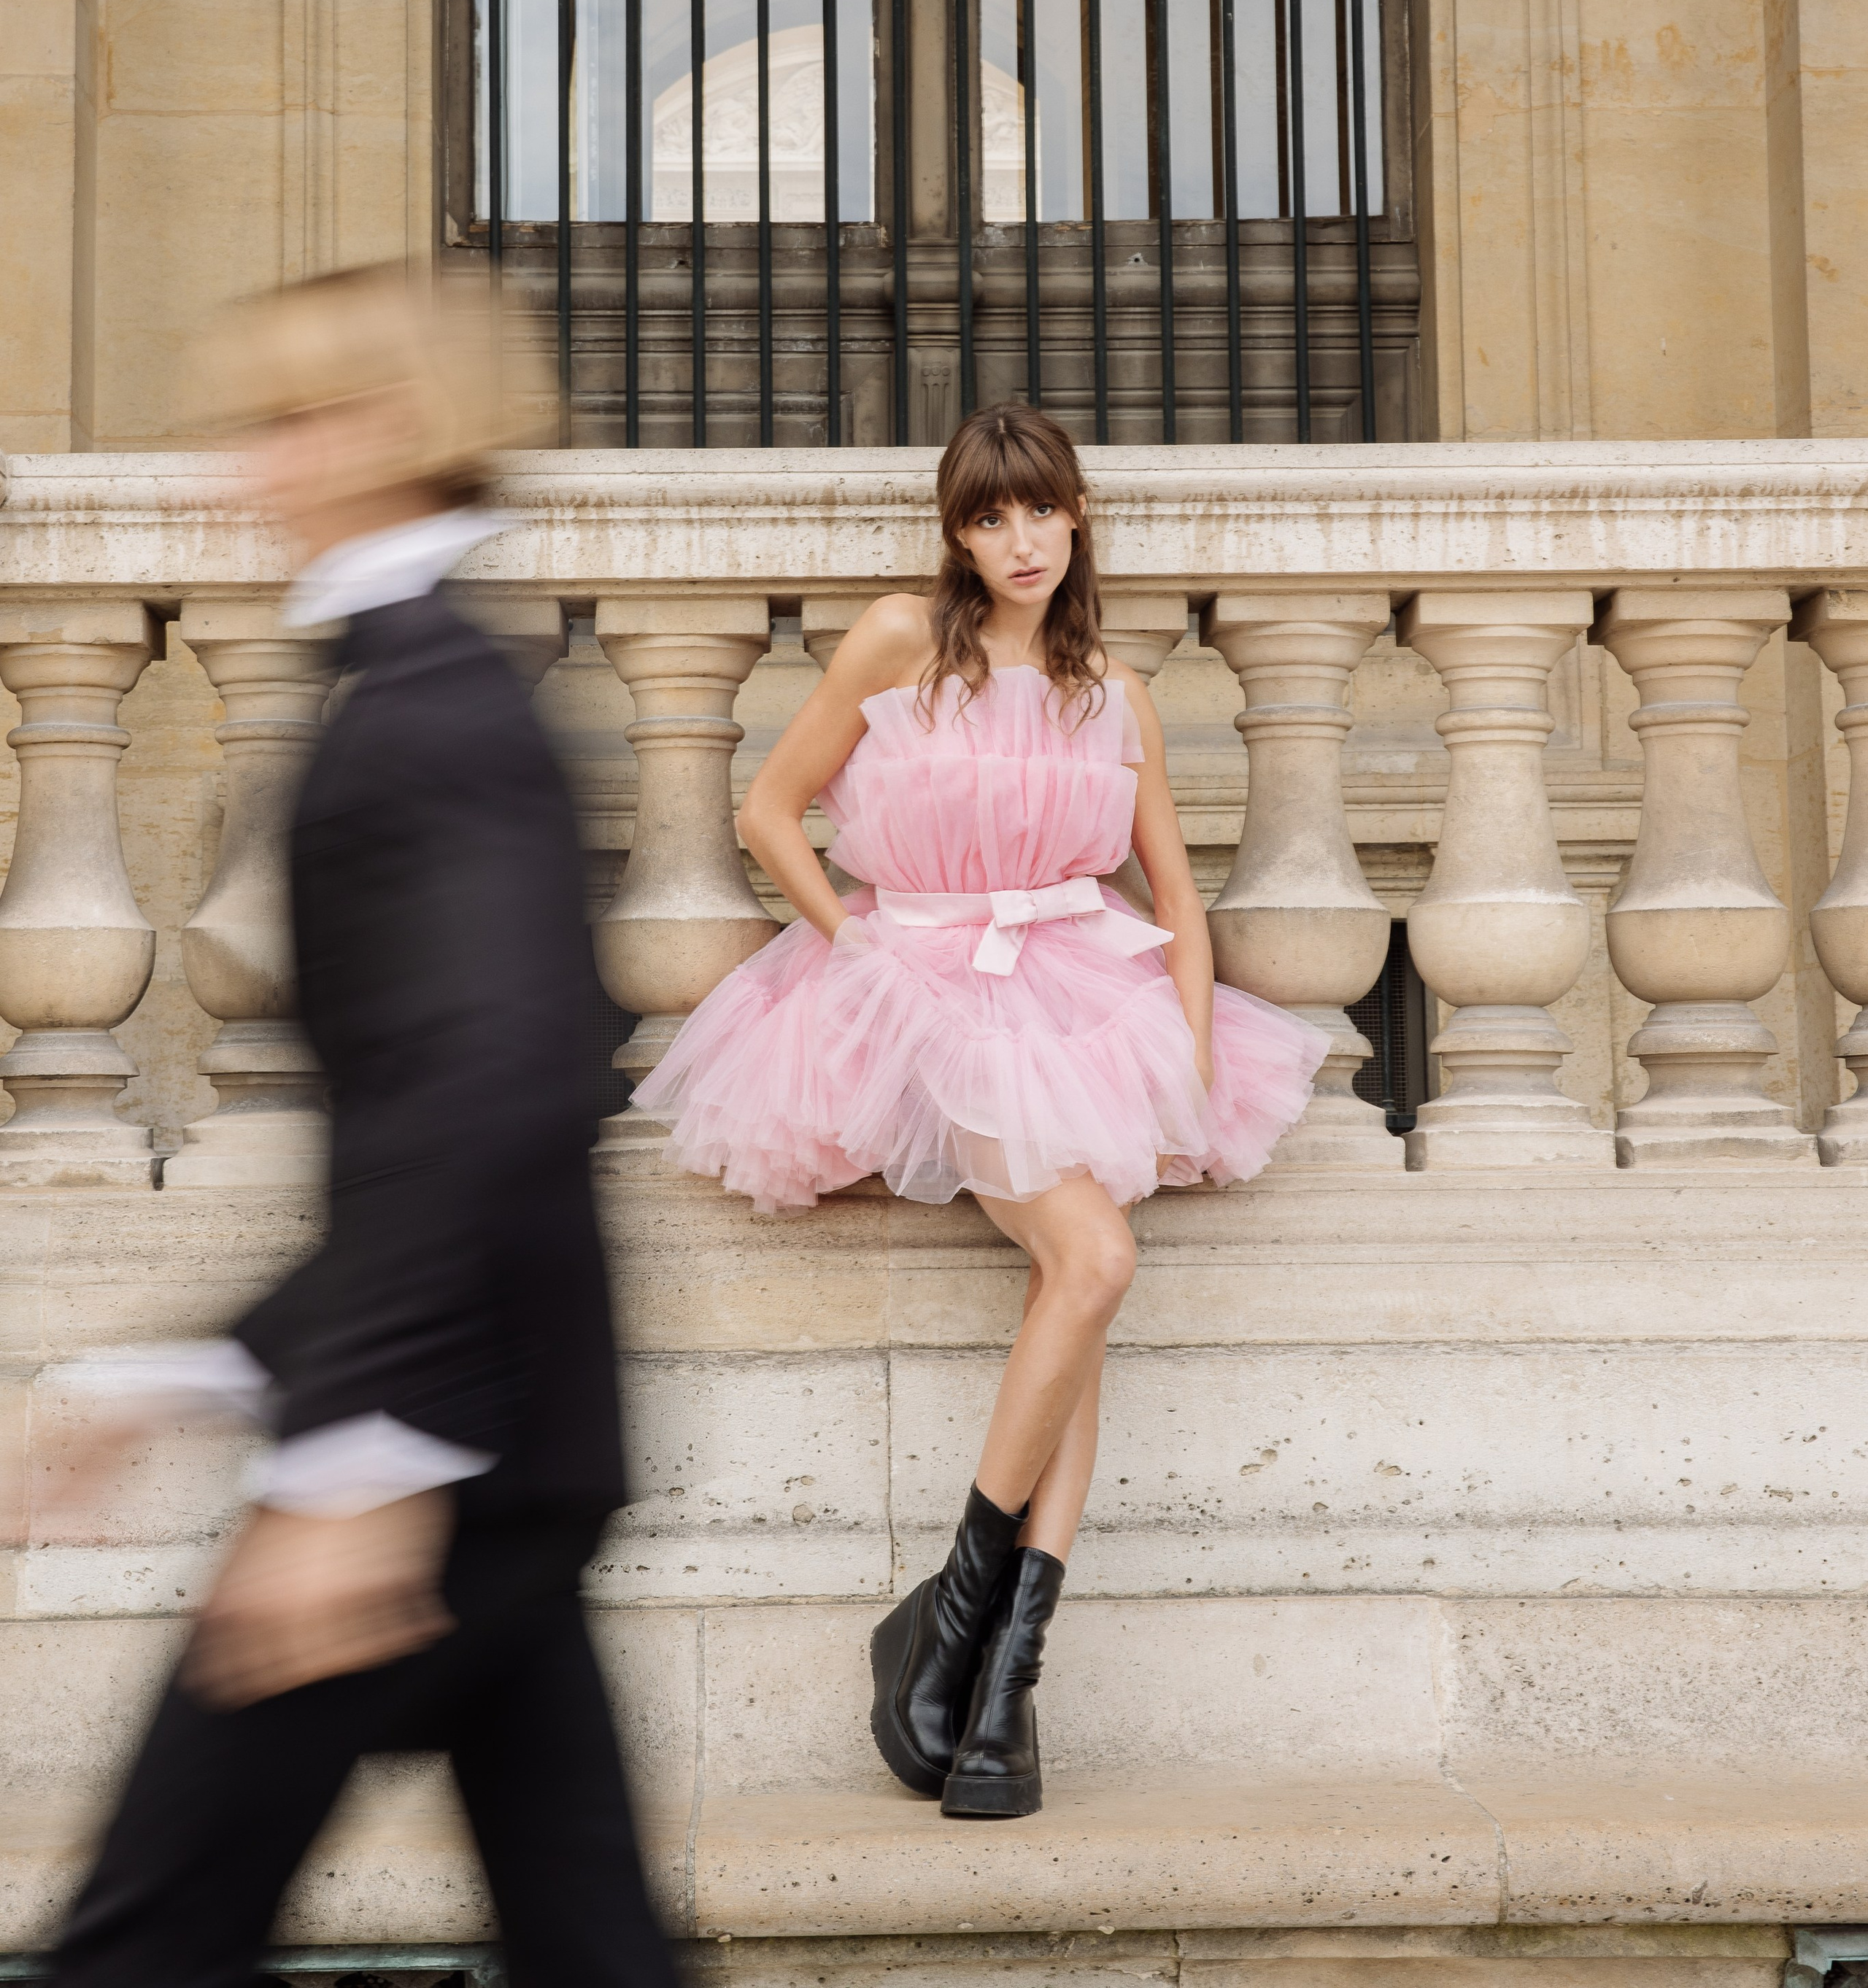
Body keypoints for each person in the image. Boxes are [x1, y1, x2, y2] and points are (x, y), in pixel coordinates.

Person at [42, 268, 675, 1988]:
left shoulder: (431, 714)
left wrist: (357, 1460)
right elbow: (429, 1119)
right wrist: (184, 1377)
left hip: (442, 1451)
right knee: (591, 1942)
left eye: (283, 422)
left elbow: (496, 1089)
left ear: (391, 429)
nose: (234, 473)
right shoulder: (419, 690)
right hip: (500, 1436)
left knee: (145, 1942)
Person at [633, 403, 1327, 1822]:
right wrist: (858, 948)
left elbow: (1175, 902)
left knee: (1073, 1288)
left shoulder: (1110, 692)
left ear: (1076, 521)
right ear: (956, 534)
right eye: (987, 517)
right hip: (928, 983)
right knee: (1093, 1264)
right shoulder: (901, 640)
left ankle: (998, 1680)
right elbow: (770, 811)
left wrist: (1185, 1064)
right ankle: (960, 1628)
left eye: (1039, 512)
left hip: (1086, 991)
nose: (1018, 541)